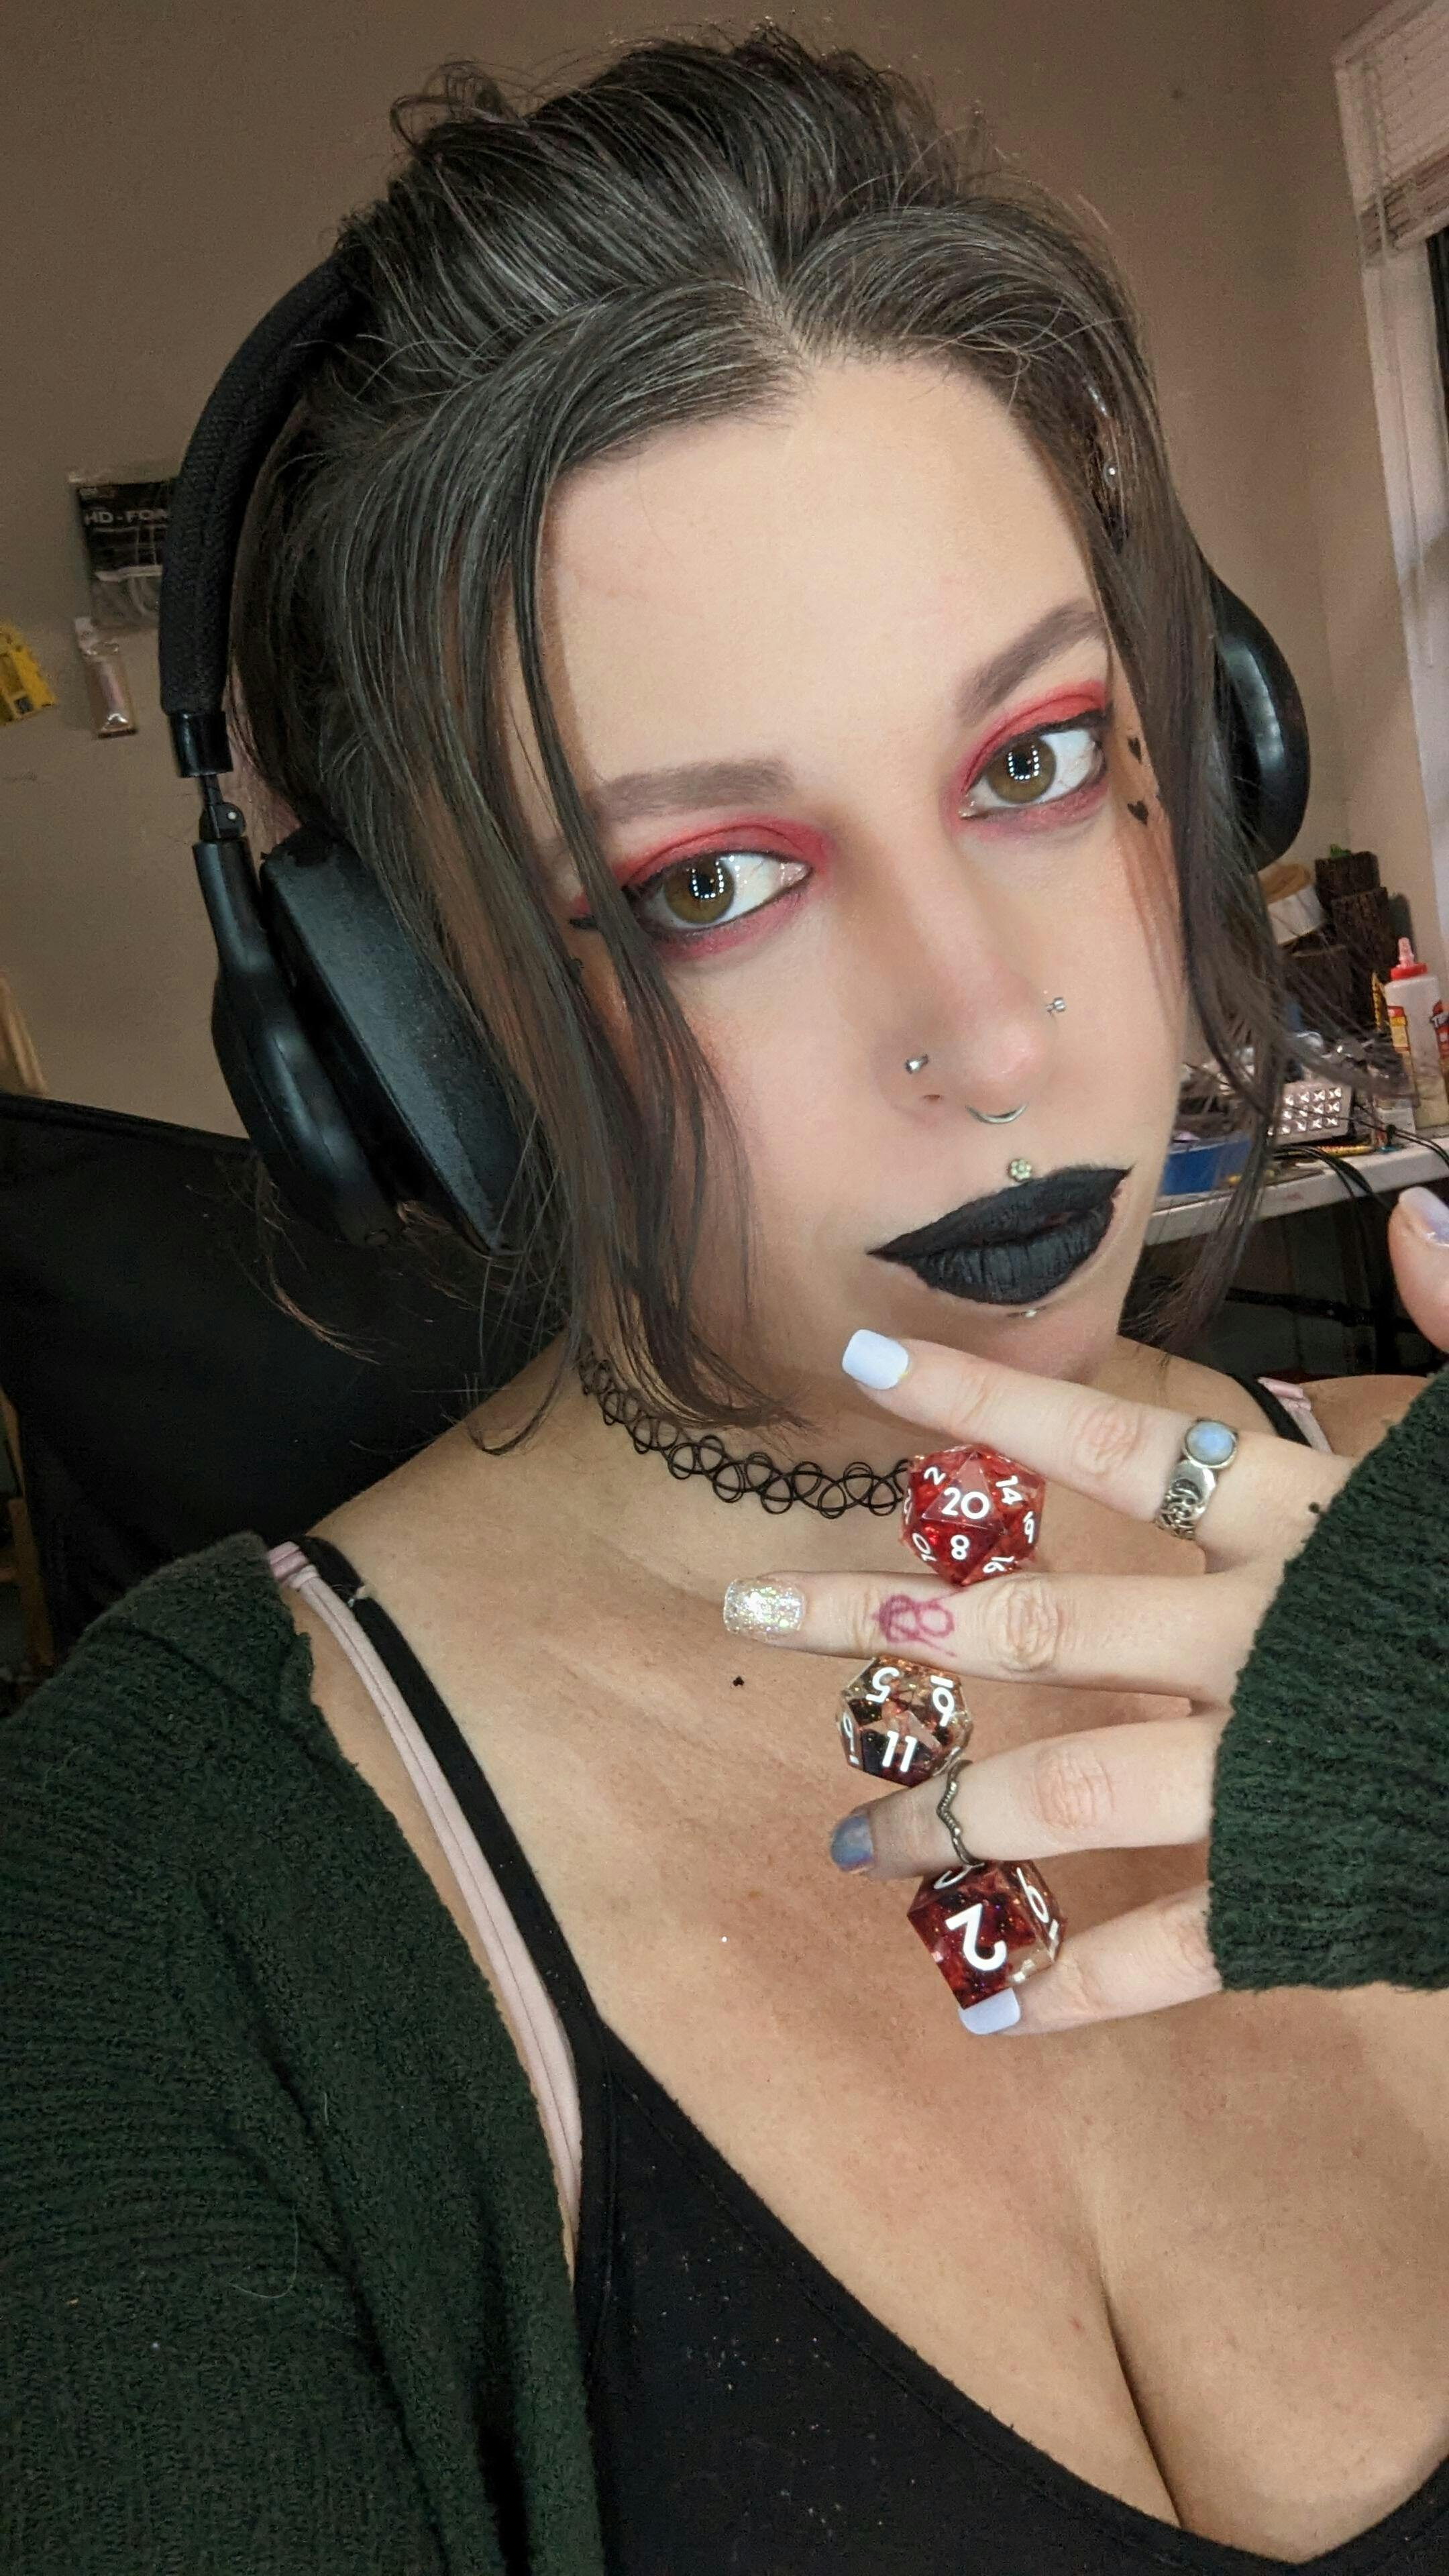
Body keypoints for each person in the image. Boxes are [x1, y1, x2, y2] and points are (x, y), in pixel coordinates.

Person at [5, 28, 1448, 2573]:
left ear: (1196, 752)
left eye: (1033, 759)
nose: (987, 1030)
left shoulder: (1421, 1534)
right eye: (710, 886)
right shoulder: (151, 1919)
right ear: (405, 1043)